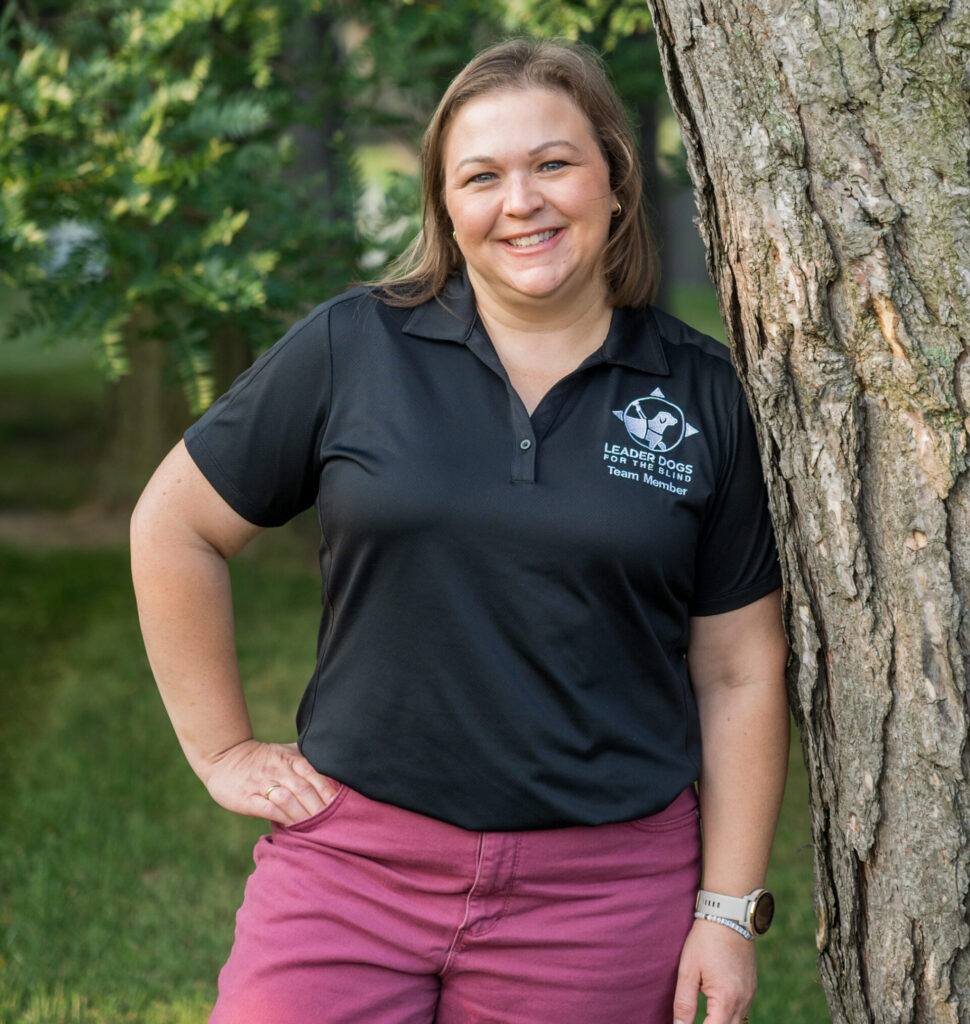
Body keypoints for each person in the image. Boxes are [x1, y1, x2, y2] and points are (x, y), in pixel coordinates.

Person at [130, 38, 789, 1024]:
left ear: (612, 176)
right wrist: (221, 751)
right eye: (481, 176)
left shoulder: (701, 394)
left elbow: (738, 669)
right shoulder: (355, 346)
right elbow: (174, 523)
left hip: (600, 894)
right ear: (446, 207)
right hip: (352, 865)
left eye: (552, 163)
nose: (519, 200)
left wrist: (727, 913)